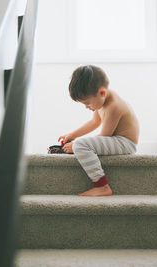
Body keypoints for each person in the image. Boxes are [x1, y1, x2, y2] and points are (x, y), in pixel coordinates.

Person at [58, 65, 140, 196]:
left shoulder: (114, 107)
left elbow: (104, 136)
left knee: (81, 145)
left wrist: (77, 145)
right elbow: (94, 122)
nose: (86, 107)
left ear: (101, 93)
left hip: (126, 144)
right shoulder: (102, 99)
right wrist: (72, 135)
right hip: (117, 140)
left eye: (87, 103)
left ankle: (102, 186)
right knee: (81, 143)